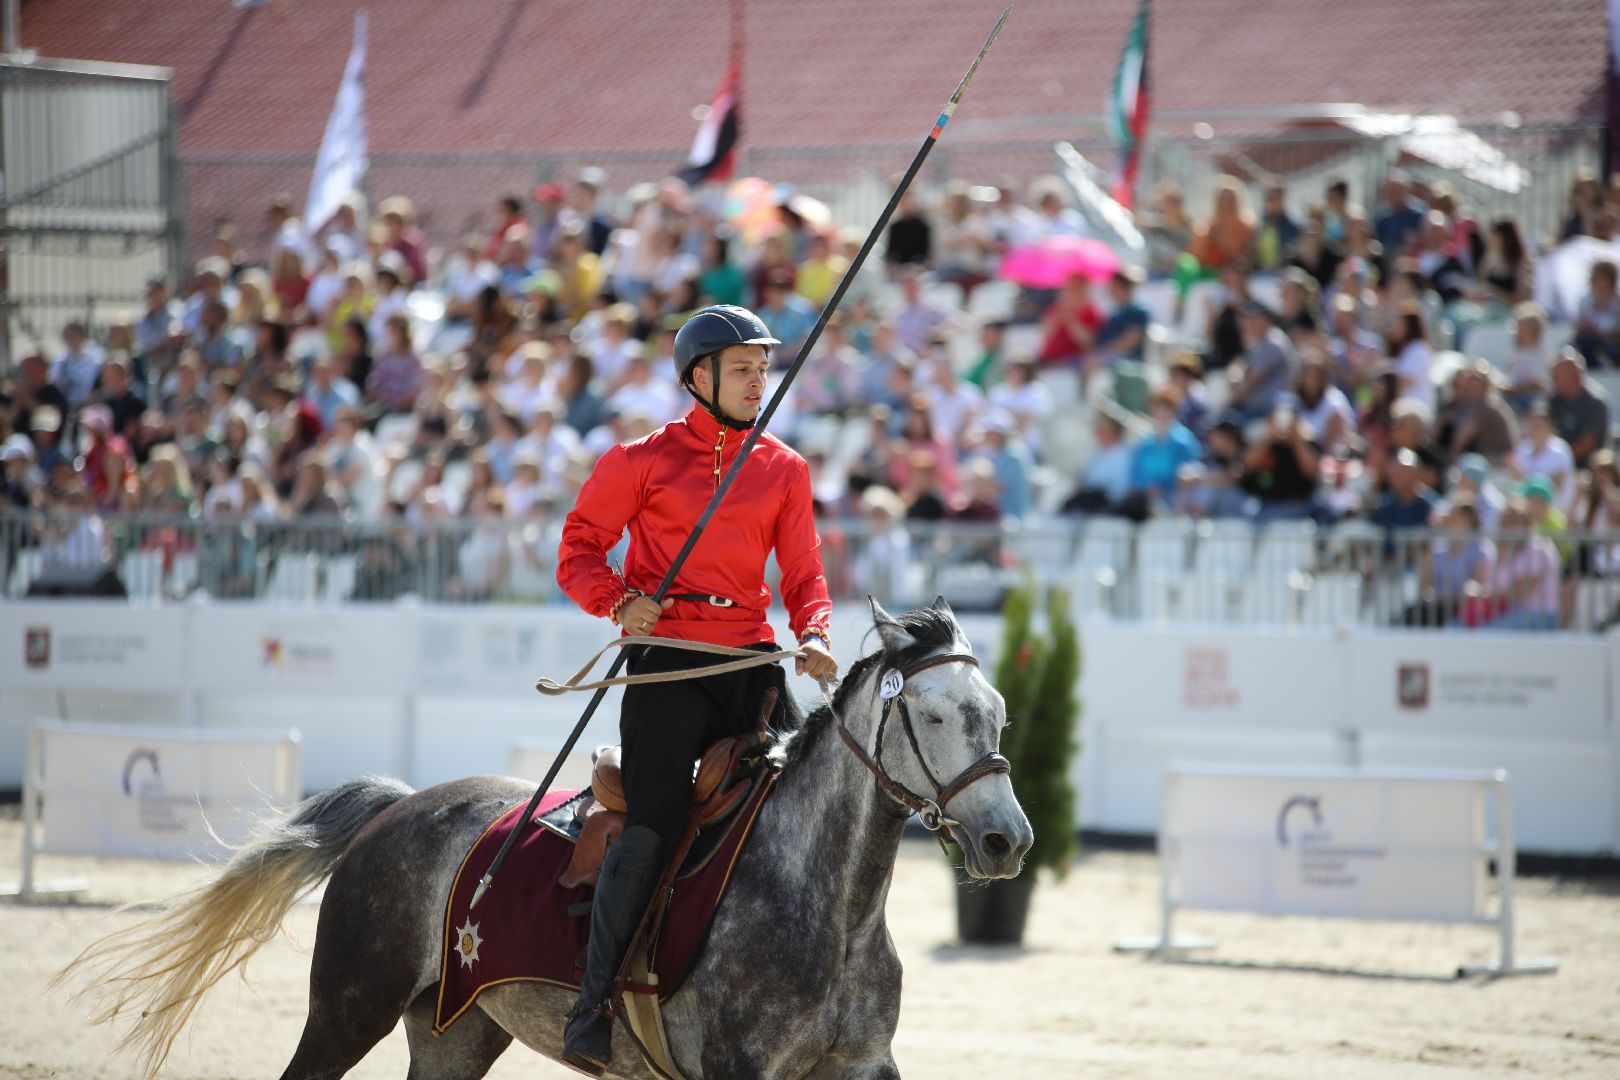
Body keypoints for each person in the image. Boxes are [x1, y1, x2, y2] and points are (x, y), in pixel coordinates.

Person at [553, 304, 836, 1073]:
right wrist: (618, 601)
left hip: (750, 665)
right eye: (743, 368)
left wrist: (813, 631)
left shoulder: (785, 468)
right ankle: (593, 1001)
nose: (758, 381)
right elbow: (577, 550)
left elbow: (805, 572)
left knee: (800, 804)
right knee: (655, 816)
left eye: (763, 368)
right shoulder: (639, 461)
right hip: (668, 663)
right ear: (698, 376)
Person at [1546, 348, 1611, 469]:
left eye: (1557, 376)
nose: (1553, 381)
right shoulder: (1554, 400)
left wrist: (1559, 461)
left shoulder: (1594, 402)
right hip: (1557, 466)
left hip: (1587, 469)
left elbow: (1588, 443)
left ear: (1574, 375)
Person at [1574, 260, 1620, 368]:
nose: (1594, 281)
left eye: (1599, 278)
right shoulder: (1585, 301)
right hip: (1590, 346)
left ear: (1610, 280)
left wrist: (1601, 335)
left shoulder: (1617, 303)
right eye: (1593, 278)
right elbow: (1579, 329)